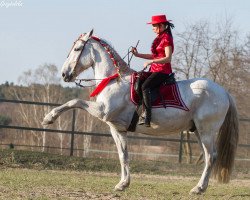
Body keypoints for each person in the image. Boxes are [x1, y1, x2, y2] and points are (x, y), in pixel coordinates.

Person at [131, 14, 175, 127]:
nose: (152, 28)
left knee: (145, 86)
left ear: (161, 25)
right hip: (154, 69)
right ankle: (140, 109)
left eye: (154, 26)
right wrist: (138, 55)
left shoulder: (167, 39)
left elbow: (168, 58)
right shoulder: (159, 38)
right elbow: (154, 56)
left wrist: (152, 62)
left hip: (163, 71)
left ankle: (147, 115)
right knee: (138, 81)